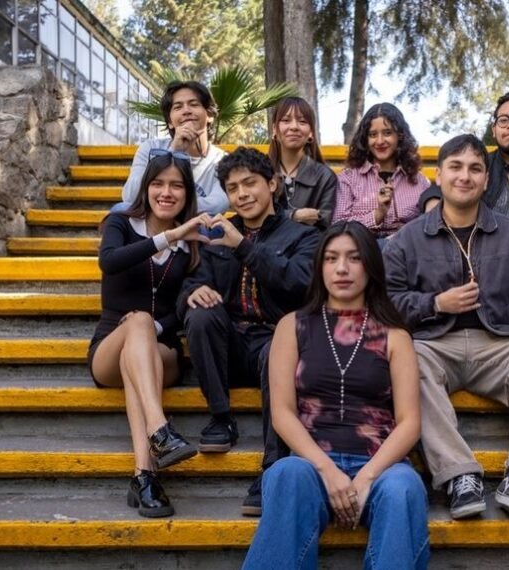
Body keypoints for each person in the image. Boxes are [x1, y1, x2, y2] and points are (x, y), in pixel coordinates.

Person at [383, 134, 509, 522]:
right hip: (434, 343)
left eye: (475, 169)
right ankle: (459, 476)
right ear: (439, 176)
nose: (464, 176)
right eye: (455, 167)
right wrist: (435, 303)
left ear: (486, 180)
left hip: (498, 342)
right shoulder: (408, 238)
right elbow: (386, 301)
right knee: (405, 359)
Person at [242, 221, 429, 569]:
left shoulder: (394, 335)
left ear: (370, 267)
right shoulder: (292, 326)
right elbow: (282, 412)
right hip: (312, 463)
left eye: (354, 258)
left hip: (380, 466)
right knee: (285, 474)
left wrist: (366, 477)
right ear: (320, 267)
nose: (341, 268)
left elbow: (409, 422)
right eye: (331, 258)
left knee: (405, 487)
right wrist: (328, 471)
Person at [177, 147, 319, 516]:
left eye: (250, 183)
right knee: (201, 314)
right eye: (233, 187)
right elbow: (187, 285)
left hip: (278, 344)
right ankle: (221, 418)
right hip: (231, 346)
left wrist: (243, 247)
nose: (242, 194)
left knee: (281, 348)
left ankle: (273, 467)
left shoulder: (304, 236)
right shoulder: (215, 232)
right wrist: (194, 291)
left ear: (271, 184)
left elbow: (298, 284)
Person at [89, 151, 212, 517]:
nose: (166, 192)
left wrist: (155, 328)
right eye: (158, 183)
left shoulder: (196, 242)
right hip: (110, 345)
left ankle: (144, 475)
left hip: (163, 351)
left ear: (188, 194)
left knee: (142, 331)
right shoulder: (120, 223)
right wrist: (168, 237)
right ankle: (160, 430)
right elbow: (109, 262)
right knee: (136, 323)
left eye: (176, 185)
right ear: (146, 187)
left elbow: (187, 303)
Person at [418, 92, 509, 245]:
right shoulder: (478, 166)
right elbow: (438, 188)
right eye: (503, 120)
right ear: (494, 129)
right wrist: (433, 201)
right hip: (478, 254)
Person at [121, 80, 228, 215]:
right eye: (178, 107)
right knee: (119, 211)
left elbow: (219, 204)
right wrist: (173, 151)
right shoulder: (150, 148)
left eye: (194, 104)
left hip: (196, 226)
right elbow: (130, 196)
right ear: (170, 122)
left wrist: (170, 205)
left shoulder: (222, 160)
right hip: (154, 224)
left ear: (210, 115)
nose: (186, 111)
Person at [332, 103, 430, 240]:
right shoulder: (348, 178)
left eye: (387, 133)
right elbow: (338, 226)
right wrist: (377, 215)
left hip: (407, 251)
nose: (379, 141)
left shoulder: (418, 181)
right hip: (362, 251)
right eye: (372, 134)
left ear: (400, 135)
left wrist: (406, 231)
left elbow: (429, 222)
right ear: (365, 139)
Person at [268, 96, 338, 230]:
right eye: (286, 120)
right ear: (275, 129)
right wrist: (293, 216)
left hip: (309, 247)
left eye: (302, 121)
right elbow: (253, 216)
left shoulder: (325, 177)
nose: (294, 127)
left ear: (311, 132)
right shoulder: (261, 172)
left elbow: (326, 223)